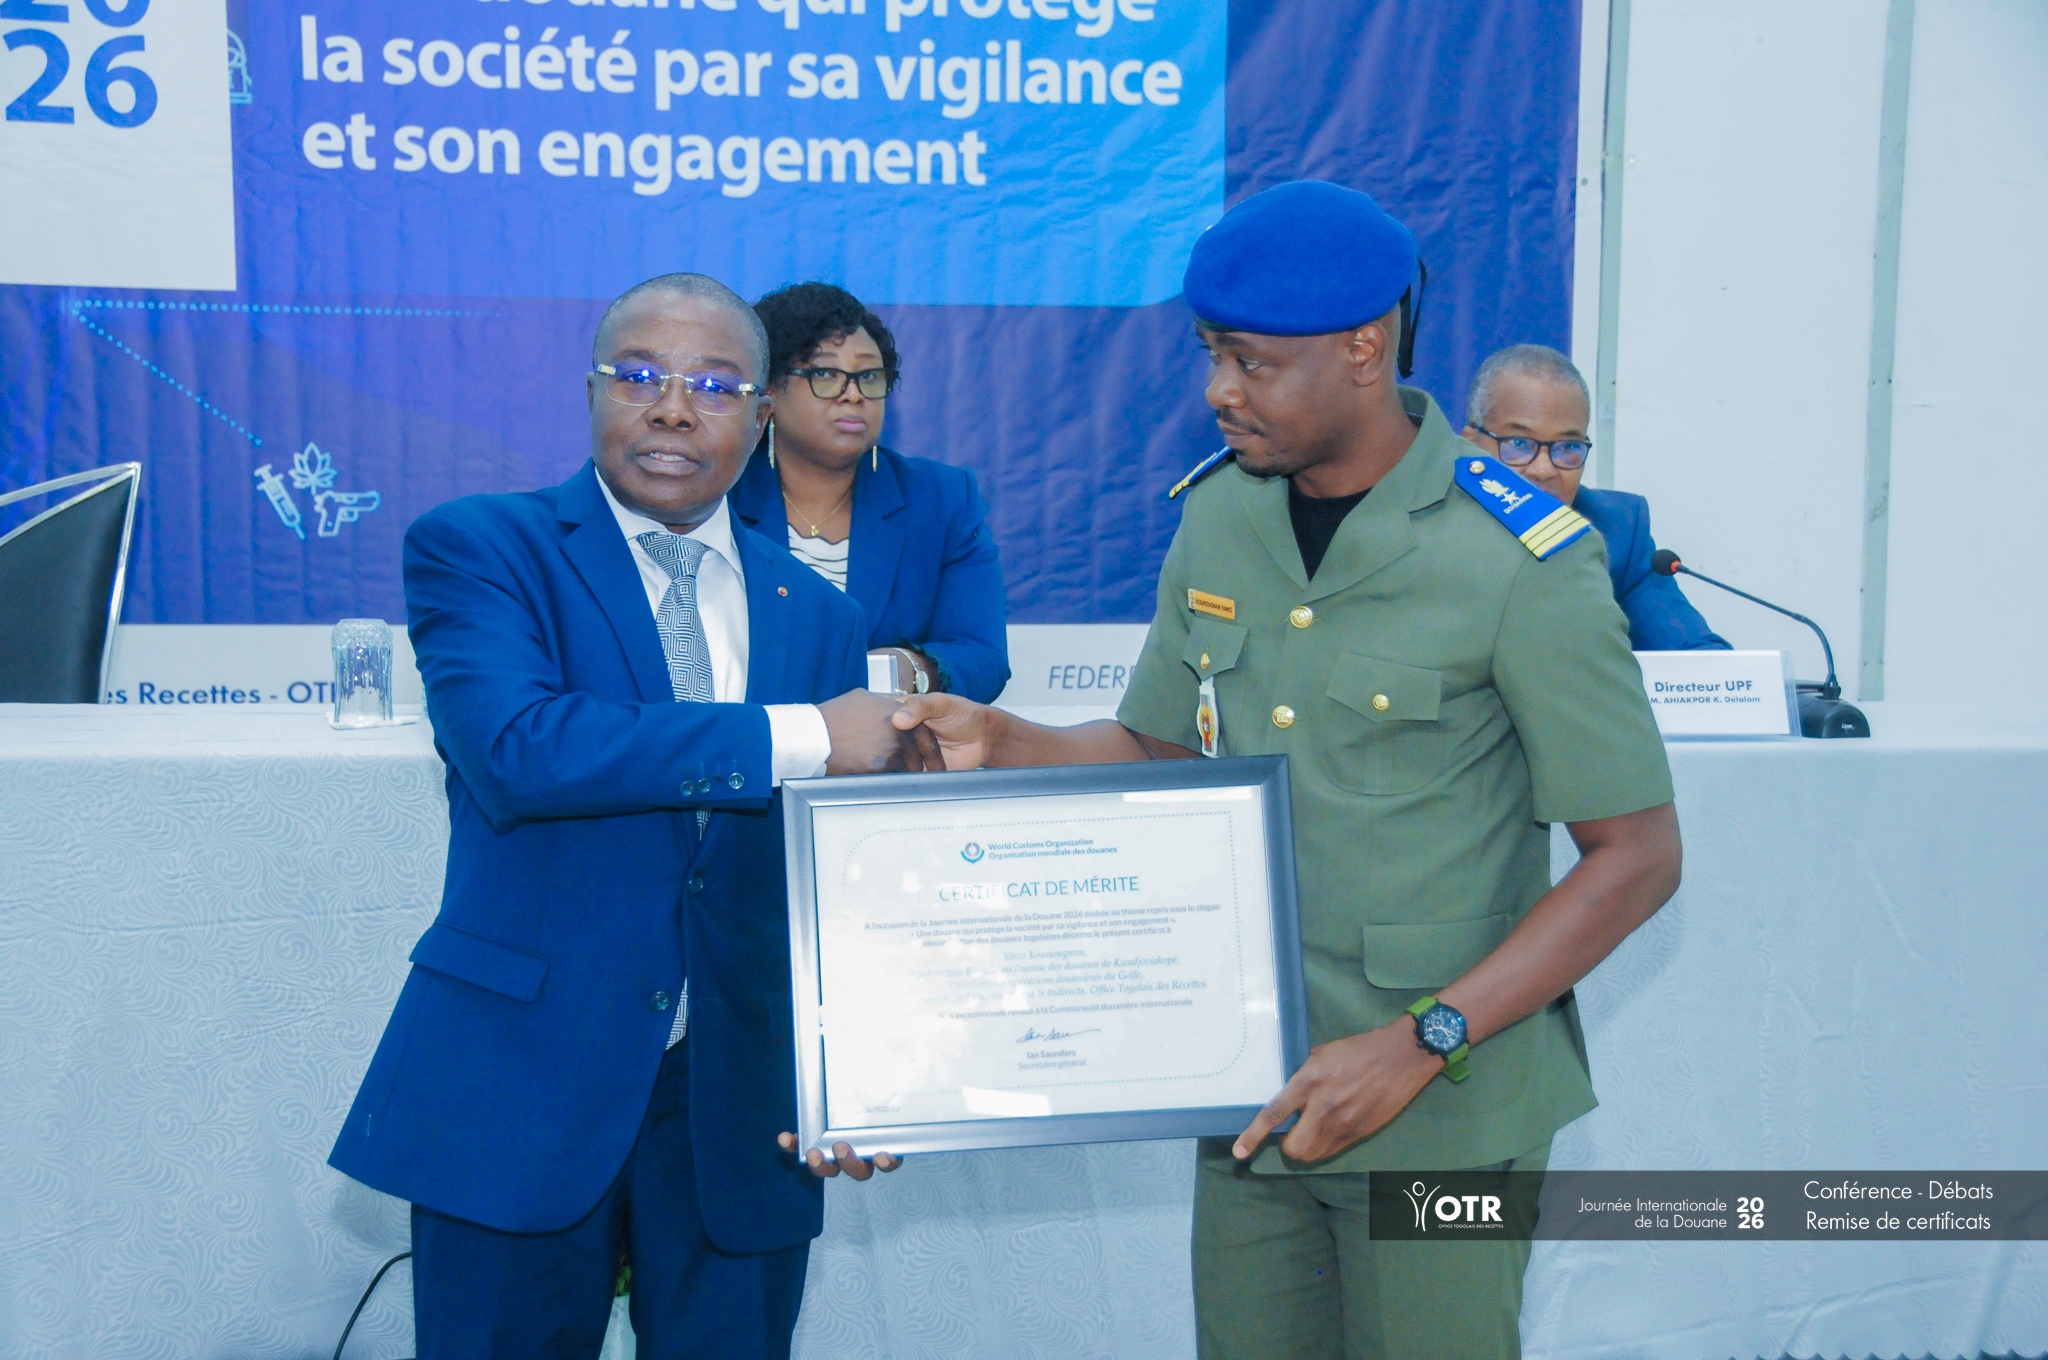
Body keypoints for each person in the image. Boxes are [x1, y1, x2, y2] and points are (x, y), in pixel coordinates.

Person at [875, 182, 1683, 1360]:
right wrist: (1001, 742)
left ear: (1361, 349)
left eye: (1249, 362)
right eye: (1211, 354)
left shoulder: (1519, 559)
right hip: (1253, 1083)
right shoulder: (1222, 517)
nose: (1217, 390)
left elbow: (1636, 857)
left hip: (1444, 1107)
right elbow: (1160, 751)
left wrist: (1422, 1040)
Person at [328, 273, 930, 1360]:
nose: (673, 409)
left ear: (762, 414)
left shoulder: (820, 615)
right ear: (592, 392)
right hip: (524, 1081)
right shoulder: (484, 547)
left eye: (714, 385)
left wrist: (869, 1073)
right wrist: (797, 734)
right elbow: (521, 750)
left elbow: (834, 879)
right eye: (641, 376)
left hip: (740, 1106)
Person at [729, 281, 1010, 702]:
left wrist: (906, 669)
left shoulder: (942, 500)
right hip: (753, 733)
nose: (854, 394)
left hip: (887, 734)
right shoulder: (719, 496)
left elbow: (982, 657)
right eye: (826, 375)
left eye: (869, 376)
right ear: (769, 390)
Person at [1463, 344, 1729, 651]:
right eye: (1519, 444)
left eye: (1567, 447)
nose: (1543, 469)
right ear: (1470, 444)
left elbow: (1697, 655)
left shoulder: (1615, 530)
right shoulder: (1429, 525)